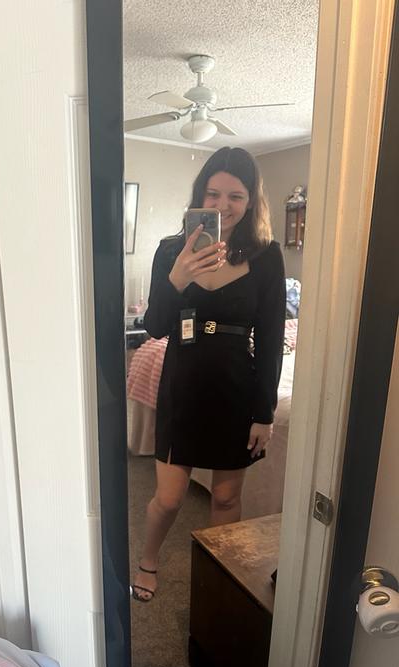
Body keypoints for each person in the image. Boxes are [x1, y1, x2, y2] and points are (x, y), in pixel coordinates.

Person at [131, 147, 286, 603]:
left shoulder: (266, 256)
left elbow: (272, 337)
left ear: (251, 201)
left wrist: (264, 412)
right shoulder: (170, 251)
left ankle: (216, 576)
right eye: (213, 194)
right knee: (169, 498)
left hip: (237, 390)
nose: (223, 205)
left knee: (225, 499)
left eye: (235, 196)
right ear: (200, 195)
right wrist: (177, 277)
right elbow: (156, 327)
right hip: (183, 385)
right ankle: (148, 561)